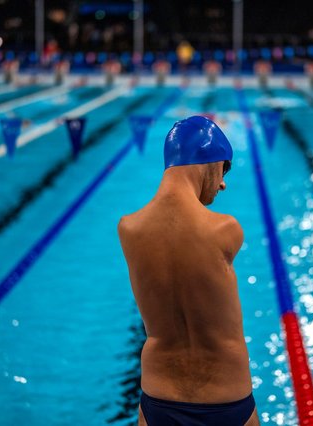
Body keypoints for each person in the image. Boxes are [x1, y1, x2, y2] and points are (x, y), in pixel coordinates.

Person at [118, 116, 258, 426]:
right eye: (224, 170)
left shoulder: (129, 228)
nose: (222, 183)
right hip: (228, 400)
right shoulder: (226, 229)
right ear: (210, 160)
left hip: (158, 398)